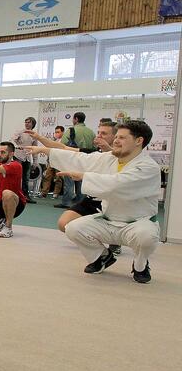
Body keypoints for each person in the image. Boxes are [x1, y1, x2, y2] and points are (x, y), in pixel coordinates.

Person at [24, 120, 159, 284]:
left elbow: (117, 184)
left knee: (146, 237)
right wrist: (47, 151)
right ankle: (101, 257)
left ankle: (140, 265)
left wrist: (83, 176)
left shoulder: (148, 167)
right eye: (116, 136)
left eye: (122, 137)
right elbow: (82, 159)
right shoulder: (109, 158)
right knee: (73, 227)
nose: (116, 141)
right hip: (108, 221)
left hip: (136, 225)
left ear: (139, 141)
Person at [23, 121, 121, 256]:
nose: (99, 136)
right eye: (98, 132)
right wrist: (40, 139)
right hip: (92, 199)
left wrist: (109, 149)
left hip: (113, 202)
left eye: (104, 133)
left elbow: (120, 161)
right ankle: (102, 248)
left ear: (116, 137)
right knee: (64, 224)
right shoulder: (94, 154)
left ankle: (114, 239)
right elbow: (63, 148)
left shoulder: (126, 157)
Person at [59, 112, 95, 207]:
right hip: (86, 159)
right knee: (81, 180)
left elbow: (62, 145)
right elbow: (94, 146)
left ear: (76, 119)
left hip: (71, 158)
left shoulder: (71, 130)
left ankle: (66, 202)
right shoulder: (91, 132)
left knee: (69, 181)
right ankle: (80, 202)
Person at [11, 117, 39, 203]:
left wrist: (35, 162)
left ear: (32, 124)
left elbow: (35, 149)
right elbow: (12, 140)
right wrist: (16, 144)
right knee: (17, 177)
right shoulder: (20, 131)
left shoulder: (34, 135)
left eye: (28, 122)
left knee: (26, 178)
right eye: (25, 122)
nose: (26, 124)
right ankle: (14, 195)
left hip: (27, 158)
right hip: (18, 156)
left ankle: (25, 196)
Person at [38, 126, 65, 198]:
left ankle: (56, 193)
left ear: (62, 132)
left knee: (58, 178)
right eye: (55, 132)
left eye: (58, 132)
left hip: (59, 161)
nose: (56, 134)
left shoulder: (64, 141)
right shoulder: (53, 140)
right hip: (51, 161)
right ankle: (44, 192)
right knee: (47, 176)